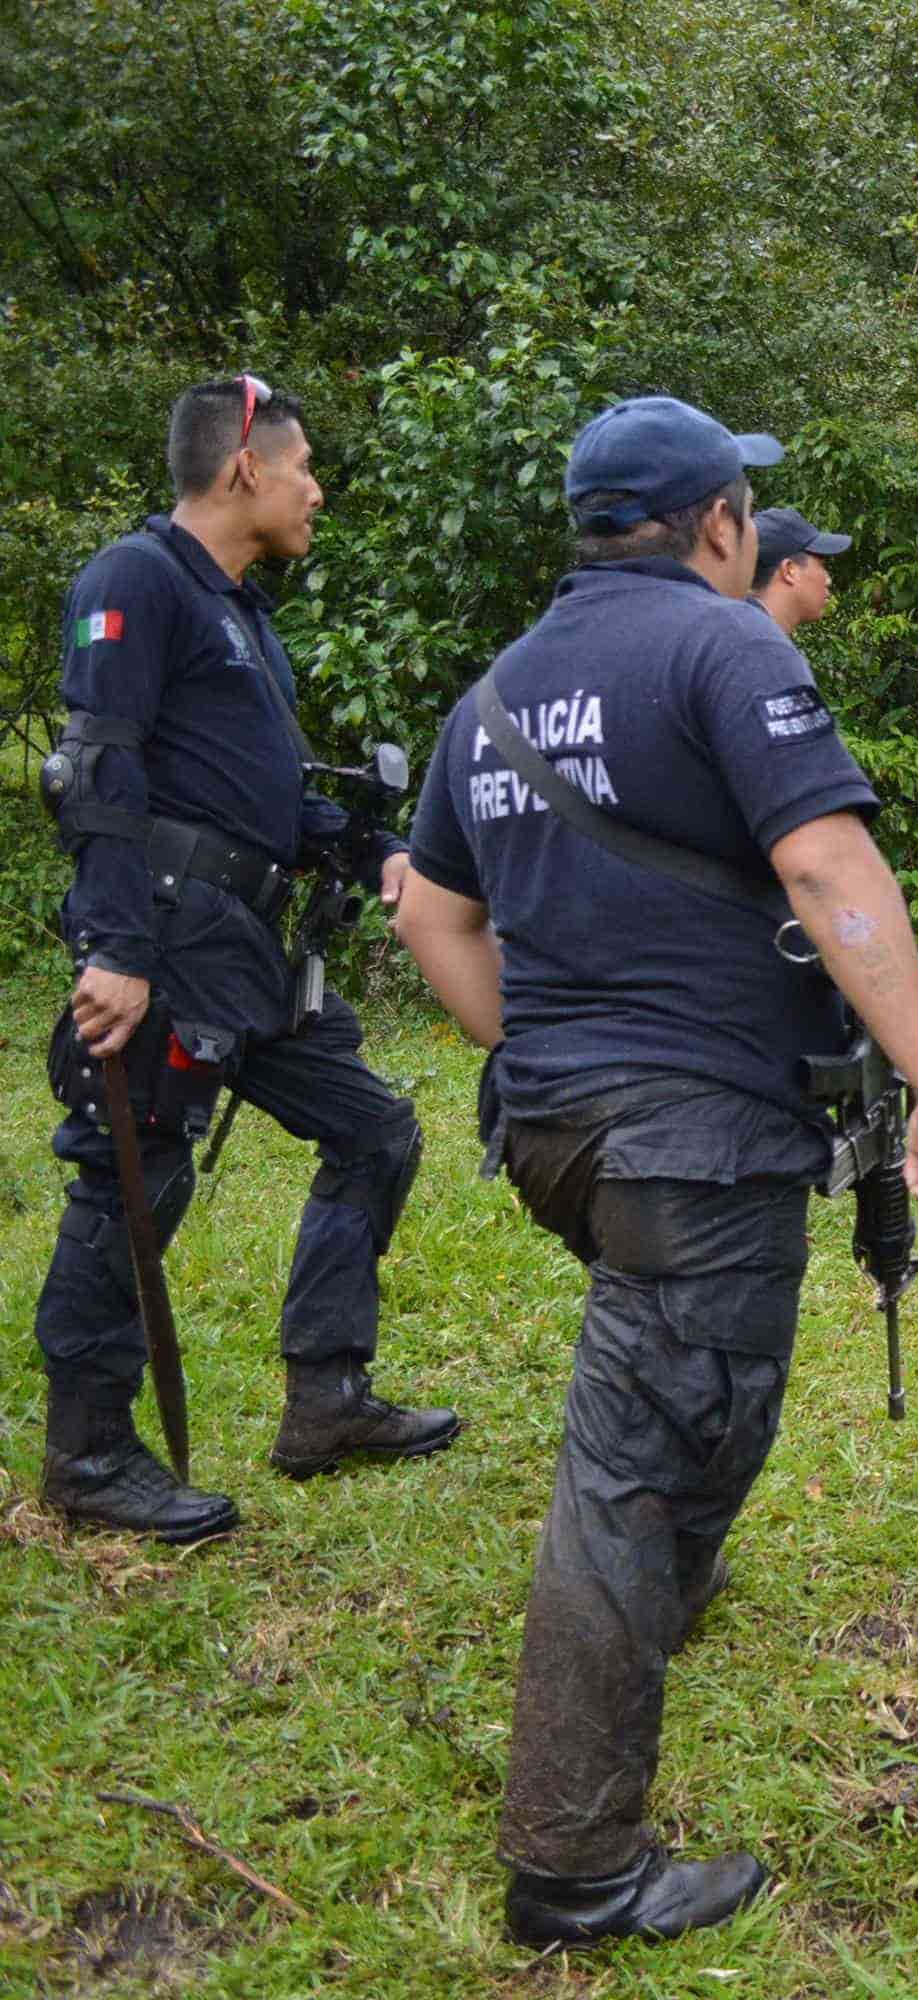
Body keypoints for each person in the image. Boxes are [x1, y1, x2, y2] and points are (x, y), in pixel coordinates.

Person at [390, 395, 918, 1945]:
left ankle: (661, 1601)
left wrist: (545, 1048)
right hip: (688, 1143)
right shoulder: (728, 649)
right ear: (719, 523)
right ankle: (573, 1865)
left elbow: (429, 917)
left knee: (706, 1394)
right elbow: (824, 862)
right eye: (746, 511)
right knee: (637, 1469)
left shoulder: (497, 695)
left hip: (557, 1137)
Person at [30, 375, 453, 1545]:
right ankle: (90, 1453)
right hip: (163, 940)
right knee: (132, 1177)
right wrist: (114, 949)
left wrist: (373, 848)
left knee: (373, 1128)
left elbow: (256, 796)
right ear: (243, 470)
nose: (317, 488)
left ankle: (326, 1398)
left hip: (245, 945)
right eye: (305, 464)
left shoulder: (241, 611)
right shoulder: (138, 579)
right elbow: (97, 772)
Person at [749, 507, 852, 635]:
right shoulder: (763, 647)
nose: (828, 580)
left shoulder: (738, 633)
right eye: (821, 565)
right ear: (790, 570)